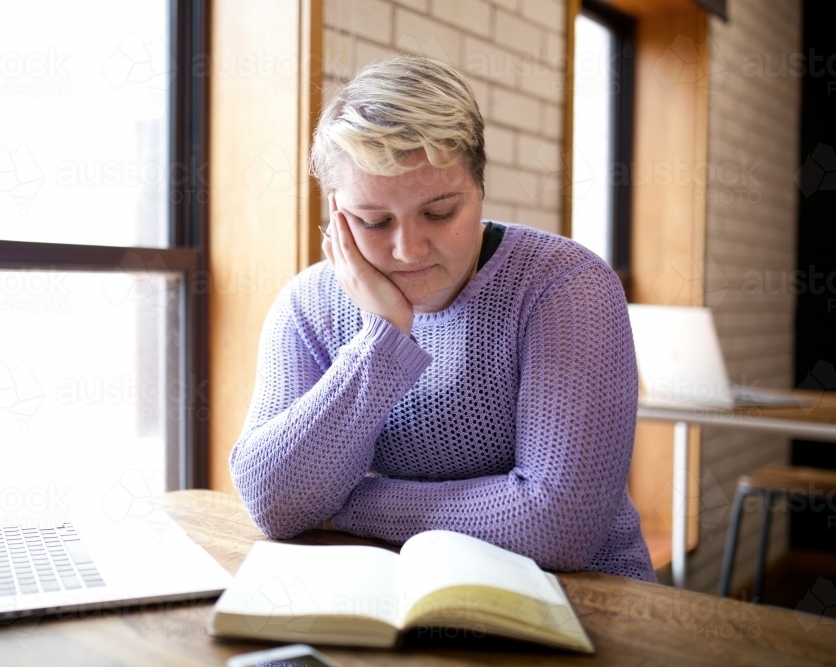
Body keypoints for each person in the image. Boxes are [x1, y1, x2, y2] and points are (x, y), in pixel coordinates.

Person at [229, 57, 656, 582]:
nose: (408, 249)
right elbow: (272, 501)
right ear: (336, 215)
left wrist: (343, 503)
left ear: (479, 190)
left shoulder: (565, 285)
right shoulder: (307, 306)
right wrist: (382, 338)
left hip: (587, 605)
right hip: (390, 595)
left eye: (439, 213)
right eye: (373, 221)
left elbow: (556, 525)